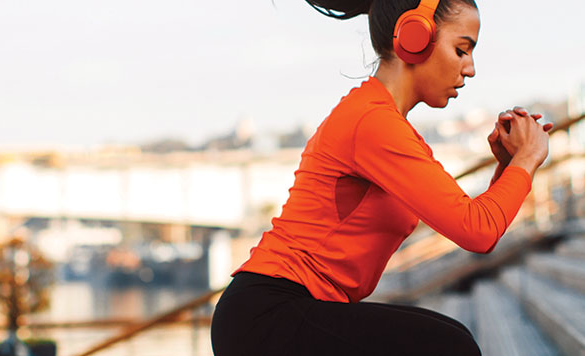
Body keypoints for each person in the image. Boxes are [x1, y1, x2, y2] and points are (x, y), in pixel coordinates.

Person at [210, 0, 551, 355]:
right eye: (462, 49)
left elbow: (477, 224)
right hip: (269, 315)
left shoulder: (392, 128)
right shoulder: (373, 123)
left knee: (449, 335)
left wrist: (509, 169)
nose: (470, 69)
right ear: (414, 37)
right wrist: (526, 160)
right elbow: (477, 231)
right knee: (450, 346)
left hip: (283, 310)